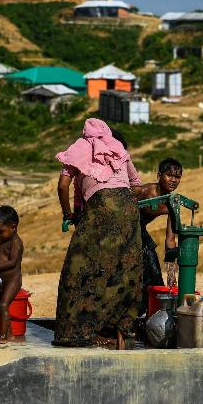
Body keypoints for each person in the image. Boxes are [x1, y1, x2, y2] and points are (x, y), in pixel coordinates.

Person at [54, 118, 143, 349]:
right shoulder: (117, 147)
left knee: (81, 269)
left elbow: (63, 186)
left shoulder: (79, 148)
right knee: (124, 269)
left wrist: (68, 214)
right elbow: (136, 185)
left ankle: (77, 332)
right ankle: (121, 328)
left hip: (101, 209)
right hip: (128, 210)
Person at [137, 159, 183, 303]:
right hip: (122, 230)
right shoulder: (143, 191)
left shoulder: (172, 205)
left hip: (140, 233)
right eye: (169, 175)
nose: (173, 180)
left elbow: (170, 241)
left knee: (154, 274)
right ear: (159, 175)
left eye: (177, 177)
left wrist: (171, 275)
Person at [0, 205, 24, 343]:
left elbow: (13, 262)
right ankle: (10, 335)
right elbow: (0, 255)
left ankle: (3, 336)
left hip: (13, 280)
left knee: (3, 306)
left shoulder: (16, 242)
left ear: (13, 227)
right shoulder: (5, 239)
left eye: (1, 232)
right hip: (2, 281)